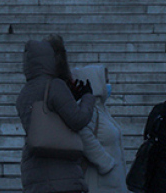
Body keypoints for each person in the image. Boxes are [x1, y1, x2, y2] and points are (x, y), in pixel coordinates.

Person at [15, 38, 96, 193]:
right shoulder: (54, 85)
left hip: (34, 170)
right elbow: (78, 120)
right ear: (50, 59)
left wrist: (70, 97)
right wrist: (87, 97)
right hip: (60, 171)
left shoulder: (24, 93)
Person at [74, 64, 128, 193]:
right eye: (106, 81)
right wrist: (106, 163)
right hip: (100, 182)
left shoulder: (101, 109)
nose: (108, 85)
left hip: (110, 182)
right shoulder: (90, 109)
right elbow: (84, 135)